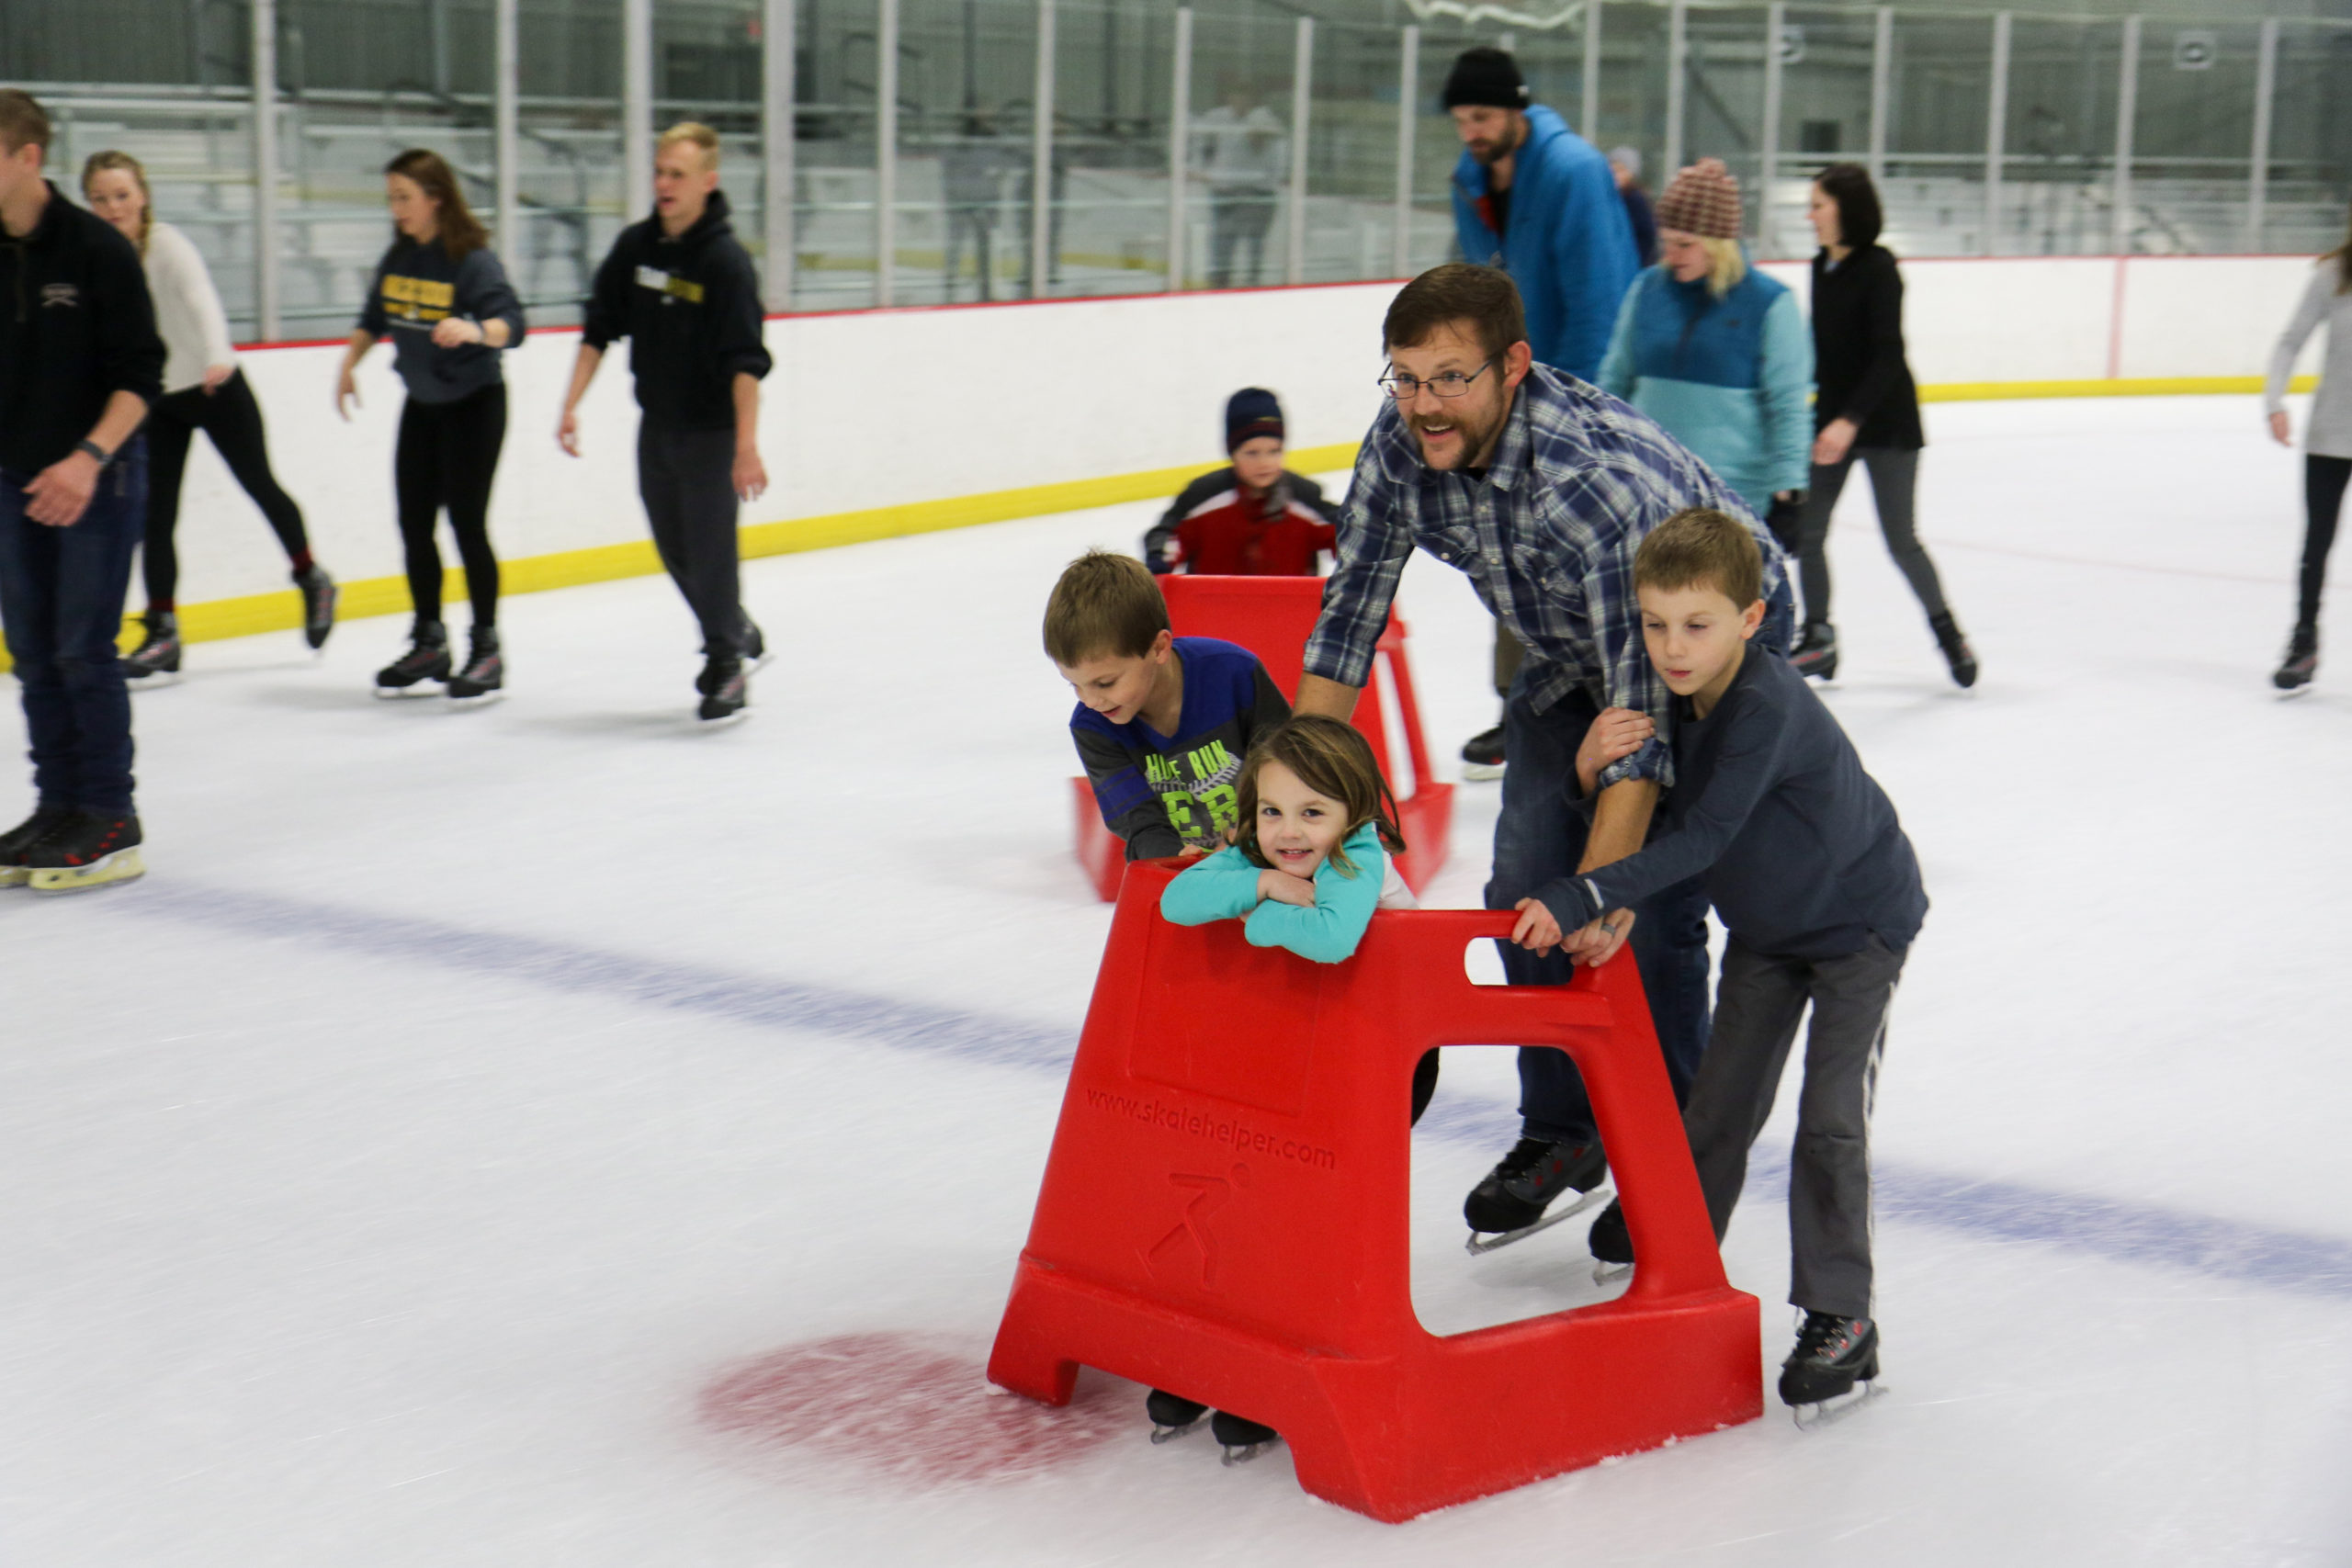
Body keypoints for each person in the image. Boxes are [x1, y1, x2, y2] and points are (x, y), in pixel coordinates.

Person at [1291, 263, 1792, 1247]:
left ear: (1512, 367)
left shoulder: (1590, 491)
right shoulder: (1402, 446)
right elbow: (1346, 621)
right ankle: (1565, 1132)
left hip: (1701, 655)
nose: (1422, 405)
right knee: (1522, 886)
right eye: (1403, 377)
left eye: (1449, 379)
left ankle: (1672, 1159)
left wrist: (1602, 891)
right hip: (1569, 654)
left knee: (1646, 911)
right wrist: (1287, 802)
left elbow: (1643, 726)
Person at [1510, 507, 1924, 1420]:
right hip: (1767, 935)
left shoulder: (1766, 706)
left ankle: (1840, 1319)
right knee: (1717, 1109)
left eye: (1696, 625)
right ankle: (1677, 1268)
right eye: (1655, 625)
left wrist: (1583, 895)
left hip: (1857, 927)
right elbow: (1646, 810)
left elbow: (1698, 835)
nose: (1671, 647)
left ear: (1751, 617)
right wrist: (1584, 775)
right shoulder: (1670, 700)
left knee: (1827, 1121)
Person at [1149, 714, 1425, 1461]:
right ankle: (1225, 1357)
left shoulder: (1360, 852)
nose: (1289, 831)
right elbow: (1176, 901)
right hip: (1311, 1045)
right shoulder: (1263, 852)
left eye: (1312, 812)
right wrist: (1264, 881)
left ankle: (1281, 1367)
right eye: (1272, 811)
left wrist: (1260, 922)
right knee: (1250, 1195)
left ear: (1355, 811)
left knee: (1305, 1206)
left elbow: (1334, 938)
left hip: (1391, 1054)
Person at [1442, 46, 1639, 779]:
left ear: (1518, 109)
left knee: (1584, 562)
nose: (1473, 130)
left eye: (1484, 115)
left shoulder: (1573, 173)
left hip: (1568, 402)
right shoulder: (1472, 179)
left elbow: (1599, 301)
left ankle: (1607, 709)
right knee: (1507, 555)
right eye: (1463, 118)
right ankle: (1518, 709)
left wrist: (1581, 412)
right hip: (1506, 402)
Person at [80, 150, 336, 681]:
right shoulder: (96, 257)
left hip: (215, 385)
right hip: (158, 400)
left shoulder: (167, 246)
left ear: (143, 196)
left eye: (122, 196)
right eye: (100, 199)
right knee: (156, 516)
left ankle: (312, 577)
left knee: (259, 484)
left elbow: (201, 301)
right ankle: (164, 630)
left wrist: (219, 354)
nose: (112, 208)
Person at [0, 90, 166, 894]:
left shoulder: (96, 250)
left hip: (98, 474)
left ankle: (108, 814)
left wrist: (87, 457)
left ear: (26, 156)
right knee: (32, 654)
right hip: (14, 478)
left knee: (79, 648)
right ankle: (57, 805)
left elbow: (143, 376)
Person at [560, 122, 774, 724]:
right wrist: (570, 403)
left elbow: (745, 362)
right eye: (659, 171)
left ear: (708, 181)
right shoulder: (637, 248)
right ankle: (730, 626)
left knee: (710, 551)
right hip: (655, 428)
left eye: (677, 174)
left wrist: (746, 446)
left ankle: (725, 661)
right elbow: (600, 326)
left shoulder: (725, 263)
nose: (663, 184)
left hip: (711, 433)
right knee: (674, 547)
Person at [337, 148, 526, 703]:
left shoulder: (471, 260)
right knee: (414, 524)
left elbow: (514, 323)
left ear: (435, 198)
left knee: (467, 523)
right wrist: (350, 364)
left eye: (404, 198)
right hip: (422, 405)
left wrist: (473, 329)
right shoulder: (399, 257)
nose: (396, 209)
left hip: (475, 403)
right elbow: (374, 318)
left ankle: (487, 648)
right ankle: (429, 641)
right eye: (391, 198)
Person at [1790, 163, 1975, 689]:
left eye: (1819, 205)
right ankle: (1819, 638)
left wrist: (1851, 421)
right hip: (1834, 420)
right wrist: (1819, 419)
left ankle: (1948, 634)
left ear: (1847, 209)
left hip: (1887, 422)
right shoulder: (1819, 266)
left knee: (1900, 540)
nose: (1811, 215)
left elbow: (1889, 355)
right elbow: (1826, 357)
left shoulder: (1879, 267)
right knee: (1810, 531)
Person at [1597, 159, 1811, 547]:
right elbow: (1614, 382)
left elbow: (1788, 404)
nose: (1672, 254)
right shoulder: (1647, 289)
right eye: (1667, 242)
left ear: (1719, 244)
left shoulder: (1770, 303)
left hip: (1733, 498)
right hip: (1650, 490)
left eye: (1685, 244)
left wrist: (1789, 491)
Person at [1046, 550, 1290, 862]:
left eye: (1105, 683)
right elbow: (1140, 826)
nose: (1090, 701)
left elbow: (1291, 774)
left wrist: (1249, 839)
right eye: (1074, 685)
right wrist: (1178, 858)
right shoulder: (1092, 727)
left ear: (1159, 647)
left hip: (1279, 850)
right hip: (1190, 877)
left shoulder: (1233, 673)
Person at [2261, 207, 2352, 692]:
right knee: (2316, 544)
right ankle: (2304, 642)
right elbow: (2290, 341)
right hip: (2332, 432)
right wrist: (2274, 401)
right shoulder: (2332, 275)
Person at [1141, 388, 1340, 576]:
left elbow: (1346, 533)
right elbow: (1168, 535)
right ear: (1232, 453)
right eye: (1251, 453)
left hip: (1289, 609)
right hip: (1214, 609)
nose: (1264, 463)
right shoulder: (1204, 497)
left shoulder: (1303, 497)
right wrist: (1160, 557)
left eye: (1274, 451)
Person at [1193, 78, 1286, 290]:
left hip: (1258, 192)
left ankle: (1252, 281)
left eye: (1245, 96)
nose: (1240, 101)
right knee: (1222, 239)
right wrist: (1204, 171)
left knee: (1254, 242)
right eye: (1235, 95)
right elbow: (1202, 146)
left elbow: (1269, 143)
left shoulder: (1264, 119)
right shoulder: (1217, 117)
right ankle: (1220, 279)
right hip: (1225, 190)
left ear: (1253, 100)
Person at [941, 111, 1014, 304]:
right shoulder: (963, 145)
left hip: (981, 201)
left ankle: (977, 286)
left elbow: (1003, 168)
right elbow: (949, 172)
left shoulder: (988, 144)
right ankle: (953, 285)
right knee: (959, 244)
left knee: (982, 246)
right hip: (968, 202)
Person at [1609, 145, 1658, 267]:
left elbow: (1647, 236)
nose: (1616, 175)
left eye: (1620, 170)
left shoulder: (1636, 200)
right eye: (1612, 170)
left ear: (1631, 174)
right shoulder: (1611, 198)